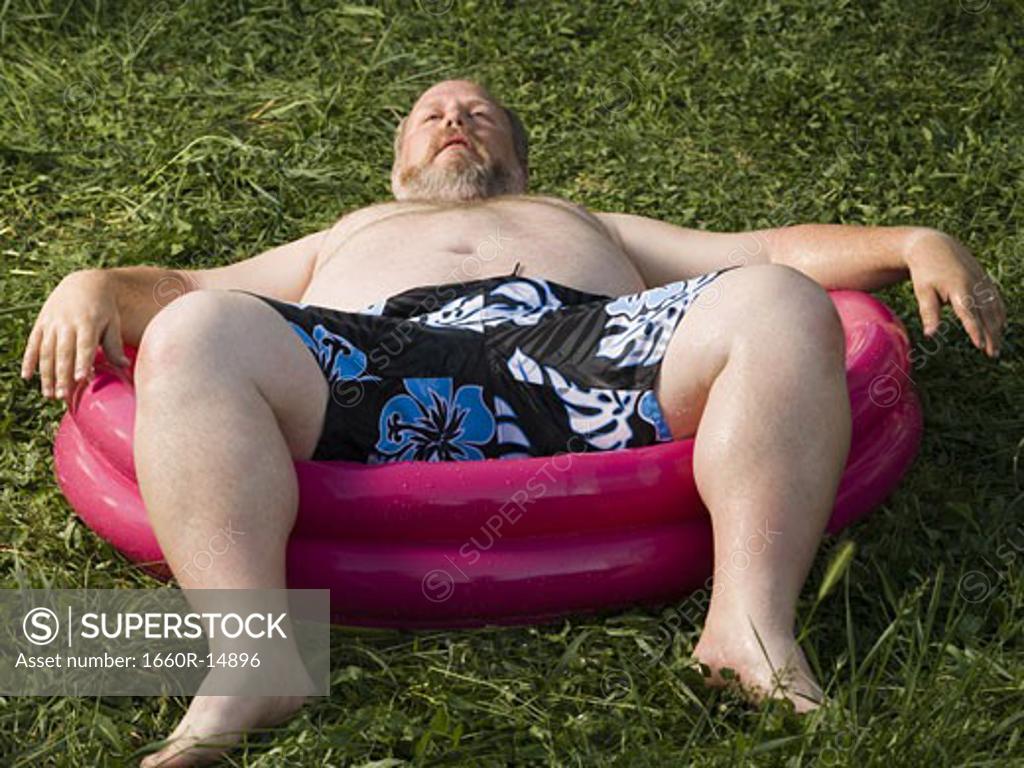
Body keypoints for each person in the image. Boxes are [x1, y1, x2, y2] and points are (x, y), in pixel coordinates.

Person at [20, 79, 1005, 766]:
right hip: (387, 364)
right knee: (197, 331)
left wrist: (911, 239)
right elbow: (189, 290)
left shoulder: (588, 223)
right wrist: (93, 280)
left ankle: (747, 630)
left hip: (583, 352)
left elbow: (774, 247)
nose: (455, 117)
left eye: (478, 112)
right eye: (431, 113)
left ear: (518, 155)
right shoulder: (350, 233)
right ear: (400, 159)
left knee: (775, 301)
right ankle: (256, 661)